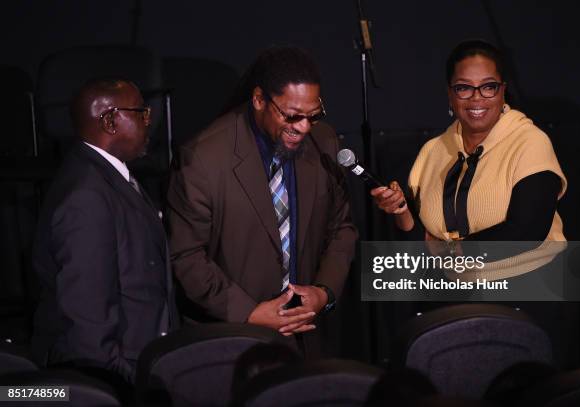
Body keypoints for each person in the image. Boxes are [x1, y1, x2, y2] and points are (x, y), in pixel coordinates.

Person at [167, 46, 357, 348]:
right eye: (292, 116)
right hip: (234, 341)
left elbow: (341, 229)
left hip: (307, 339)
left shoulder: (324, 141)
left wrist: (323, 291)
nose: (304, 127)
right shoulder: (202, 159)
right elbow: (187, 256)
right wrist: (249, 313)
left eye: (313, 115)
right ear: (259, 100)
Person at [371, 40, 567, 279]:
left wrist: (449, 251)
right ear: (450, 94)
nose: (476, 98)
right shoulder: (433, 150)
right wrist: (400, 209)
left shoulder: (530, 142)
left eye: (488, 87)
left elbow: (527, 232)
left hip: (528, 285)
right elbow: (419, 237)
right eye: (464, 88)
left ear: (503, 90)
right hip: (453, 287)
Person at [31, 78, 178, 384]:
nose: (149, 122)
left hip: (141, 361)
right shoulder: (86, 196)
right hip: (116, 377)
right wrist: (124, 382)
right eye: (141, 113)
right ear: (110, 120)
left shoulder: (108, 176)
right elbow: (87, 316)